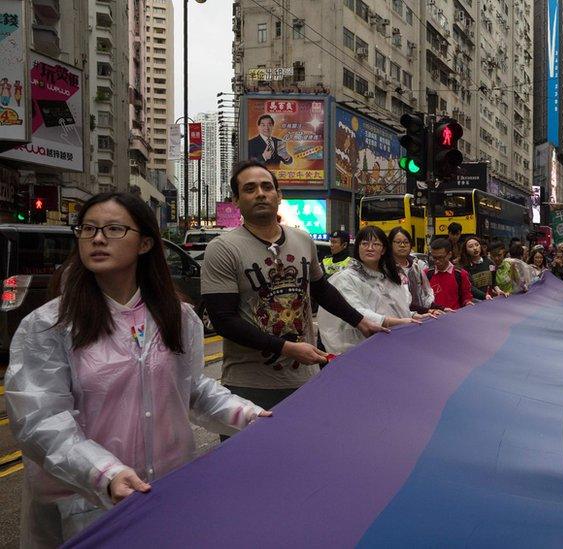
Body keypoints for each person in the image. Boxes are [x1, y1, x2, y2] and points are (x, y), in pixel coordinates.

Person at [6, 192, 269, 546]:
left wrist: (250, 417)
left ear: (145, 243)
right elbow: (41, 420)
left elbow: (191, 390)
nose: (98, 239)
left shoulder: (177, 316)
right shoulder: (50, 325)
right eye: (88, 229)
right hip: (87, 505)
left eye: (114, 229)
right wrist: (104, 473)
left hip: (167, 494)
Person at [202, 161, 385, 412]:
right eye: (250, 188)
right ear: (236, 199)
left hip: (305, 381)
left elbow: (321, 289)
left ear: (279, 195)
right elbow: (223, 320)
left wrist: (361, 322)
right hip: (249, 387)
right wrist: (287, 348)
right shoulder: (222, 249)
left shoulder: (303, 239)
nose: (260, 194)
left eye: (267, 187)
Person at [319, 227, 428, 354]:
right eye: (365, 243)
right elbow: (357, 311)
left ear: (383, 250)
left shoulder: (389, 277)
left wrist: (415, 316)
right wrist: (399, 322)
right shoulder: (346, 278)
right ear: (357, 247)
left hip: (391, 345)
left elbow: (395, 308)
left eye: (376, 244)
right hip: (359, 347)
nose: (370, 248)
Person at [388, 227, 439, 315]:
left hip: (421, 317)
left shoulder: (416, 268)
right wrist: (426, 311)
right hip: (397, 319)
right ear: (390, 244)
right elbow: (398, 303)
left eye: (406, 242)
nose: (402, 245)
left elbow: (425, 295)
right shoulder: (386, 269)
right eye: (398, 242)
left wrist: (439, 308)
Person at [427, 237, 474, 309]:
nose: (437, 261)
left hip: (454, 316)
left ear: (449, 254)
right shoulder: (427, 274)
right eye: (434, 257)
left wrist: (468, 303)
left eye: (440, 257)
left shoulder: (461, 274)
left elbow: (467, 296)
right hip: (433, 317)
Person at [458, 235, 496, 300]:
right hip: (475, 301)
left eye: (477, 245)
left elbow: (494, 281)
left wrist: (498, 290)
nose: (475, 248)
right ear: (466, 251)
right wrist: (484, 296)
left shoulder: (490, 262)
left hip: (490, 299)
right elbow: (470, 287)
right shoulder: (465, 268)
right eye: (470, 246)